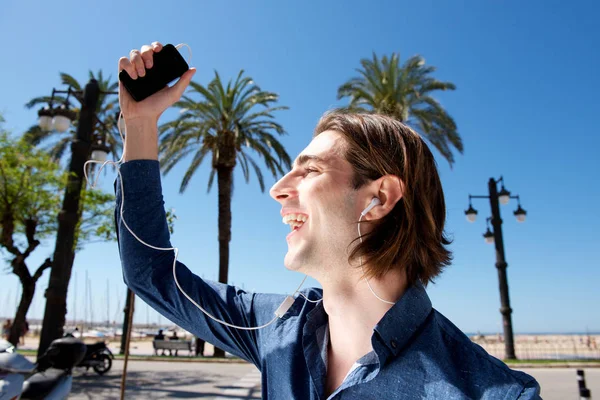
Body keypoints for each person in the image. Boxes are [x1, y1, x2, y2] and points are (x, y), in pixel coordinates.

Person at [115, 41, 541, 399]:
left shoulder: (495, 393)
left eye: (311, 170)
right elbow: (152, 275)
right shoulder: (274, 327)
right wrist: (139, 126)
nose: (277, 188)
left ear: (379, 197)